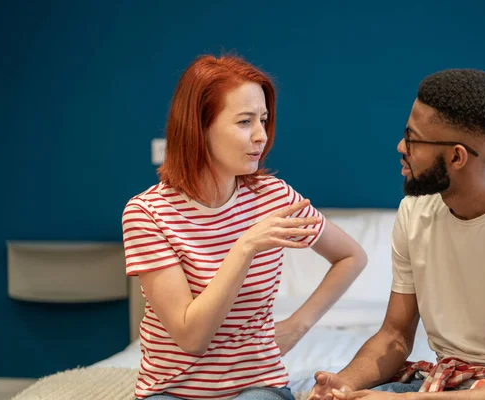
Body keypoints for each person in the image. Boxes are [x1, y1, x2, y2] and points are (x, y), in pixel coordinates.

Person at [308, 69, 485, 400]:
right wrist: (343, 384)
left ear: (456, 156)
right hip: (446, 383)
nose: (400, 146)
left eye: (412, 138)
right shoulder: (415, 211)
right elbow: (394, 335)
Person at [121, 54, 367, 400]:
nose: (261, 136)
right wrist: (245, 247)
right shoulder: (148, 213)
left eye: (263, 120)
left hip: (256, 386)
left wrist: (296, 327)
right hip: (172, 391)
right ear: (199, 126)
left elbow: (351, 257)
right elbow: (192, 338)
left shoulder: (275, 197)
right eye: (244, 122)